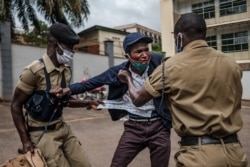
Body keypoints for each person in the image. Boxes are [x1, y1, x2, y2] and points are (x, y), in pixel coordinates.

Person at [118, 13, 248, 167]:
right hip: (235, 153)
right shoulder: (231, 64)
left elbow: (138, 99)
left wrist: (128, 79)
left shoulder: (170, 67)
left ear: (179, 37)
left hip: (198, 156)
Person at [52, 32, 172, 167]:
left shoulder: (157, 62)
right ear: (128, 56)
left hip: (159, 127)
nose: (144, 54)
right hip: (134, 128)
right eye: (138, 52)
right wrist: (68, 89)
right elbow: (90, 83)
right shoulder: (118, 72)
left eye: (146, 50)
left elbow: (175, 68)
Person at [10, 22, 101, 167]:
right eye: (70, 48)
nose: (73, 52)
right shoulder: (33, 71)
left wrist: (87, 103)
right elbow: (15, 105)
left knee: (84, 164)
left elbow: (66, 100)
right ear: (56, 46)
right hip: (42, 134)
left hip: (62, 128)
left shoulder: (66, 71)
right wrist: (25, 141)